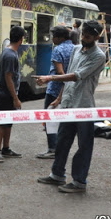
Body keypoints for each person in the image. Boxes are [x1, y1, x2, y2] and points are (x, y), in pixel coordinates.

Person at [35, 20, 106, 193]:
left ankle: (79, 181)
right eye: (82, 35)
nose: (83, 38)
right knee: (62, 141)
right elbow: (69, 76)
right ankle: (57, 174)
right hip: (68, 104)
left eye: (88, 36)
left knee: (84, 146)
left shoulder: (99, 56)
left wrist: (50, 79)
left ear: (97, 37)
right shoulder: (75, 50)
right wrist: (59, 98)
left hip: (83, 106)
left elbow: (76, 76)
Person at [36, 25, 74, 159]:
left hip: (55, 89)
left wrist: (50, 81)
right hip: (70, 90)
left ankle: (52, 149)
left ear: (60, 37)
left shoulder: (58, 49)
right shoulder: (75, 48)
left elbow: (60, 72)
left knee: (49, 120)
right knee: (63, 122)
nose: (52, 39)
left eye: (54, 36)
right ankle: (60, 148)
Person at [0, 26, 25, 163]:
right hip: (5, 95)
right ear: (21, 39)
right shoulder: (11, 55)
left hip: (6, 94)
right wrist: (15, 98)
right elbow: (8, 78)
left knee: (8, 122)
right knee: (2, 122)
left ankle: (6, 148)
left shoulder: (8, 52)